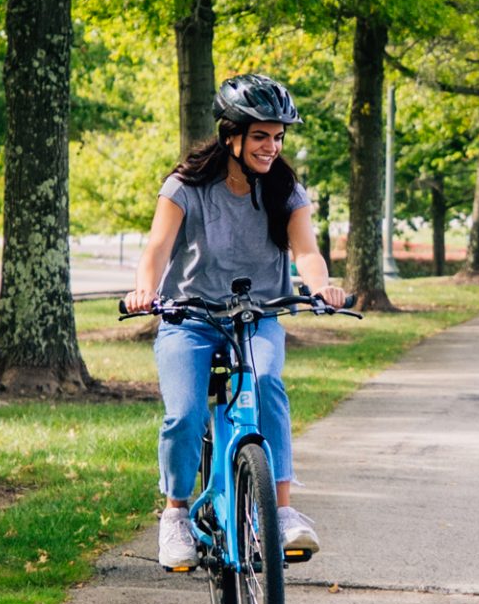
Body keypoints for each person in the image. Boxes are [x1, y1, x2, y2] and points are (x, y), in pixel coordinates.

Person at [124, 74, 348, 570]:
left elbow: (307, 252)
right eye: (261, 136)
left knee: (267, 383)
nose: (272, 147)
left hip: (257, 316)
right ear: (232, 136)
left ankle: (283, 511)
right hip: (191, 316)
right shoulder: (185, 186)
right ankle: (176, 512)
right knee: (184, 413)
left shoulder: (286, 190)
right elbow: (157, 250)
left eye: (278, 137)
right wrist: (146, 290)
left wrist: (319, 285)